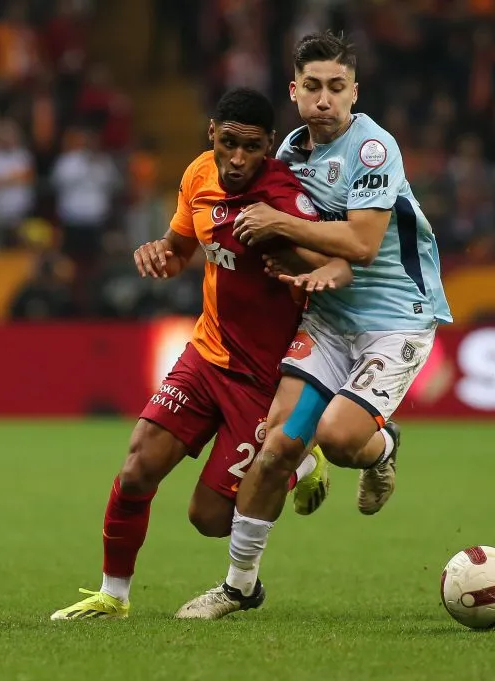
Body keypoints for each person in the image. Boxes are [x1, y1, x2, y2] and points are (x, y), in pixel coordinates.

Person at [176, 32, 453, 620]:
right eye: (313, 87)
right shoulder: (290, 155)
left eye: (336, 87)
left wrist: (280, 225)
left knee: (341, 437)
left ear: (355, 91)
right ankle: (238, 586)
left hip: (395, 320)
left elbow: (361, 242)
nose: (324, 99)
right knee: (275, 450)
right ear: (294, 91)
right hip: (327, 321)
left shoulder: (373, 148)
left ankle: (382, 449)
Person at [51, 88, 352, 620]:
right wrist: (160, 255)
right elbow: (180, 250)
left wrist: (297, 263)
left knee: (210, 518)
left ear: (269, 147)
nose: (237, 159)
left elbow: (335, 264)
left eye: (252, 148)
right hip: (206, 353)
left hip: (262, 380)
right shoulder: (197, 176)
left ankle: (298, 456)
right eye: (228, 143)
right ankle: (113, 597)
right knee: (138, 465)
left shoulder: (284, 199)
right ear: (212, 133)